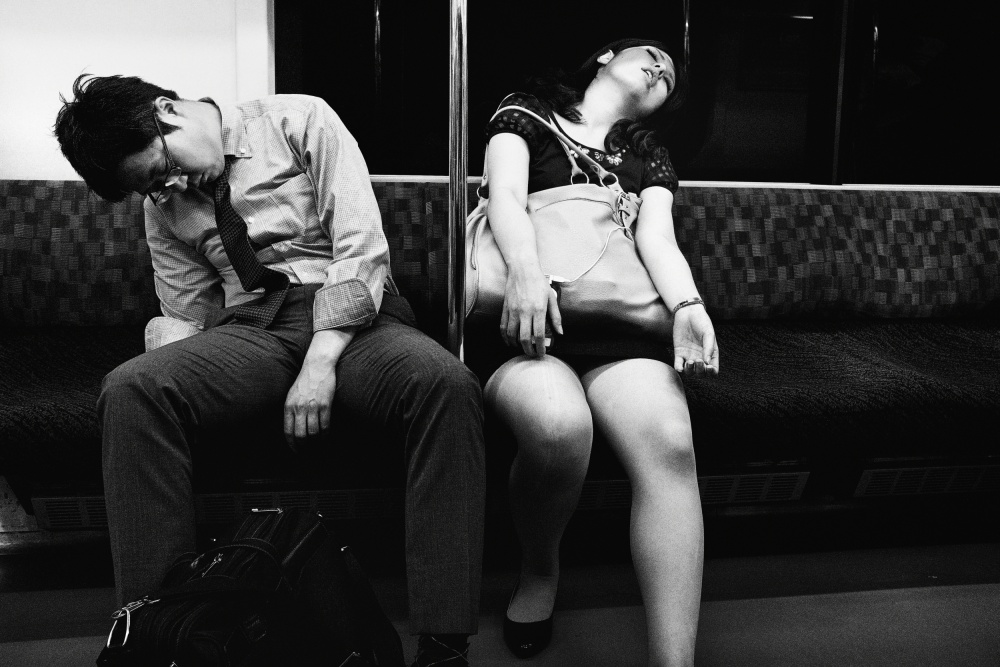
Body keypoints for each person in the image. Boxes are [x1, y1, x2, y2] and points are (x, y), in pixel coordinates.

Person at [53, 75, 484, 667]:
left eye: (164, 170)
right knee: (132, 388)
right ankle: (159, 636)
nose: (169, 188)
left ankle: (444, 642)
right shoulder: (163, 204)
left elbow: (360, 247)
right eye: (151, 187)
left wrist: (320, 364)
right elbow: (186, 310)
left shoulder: (298, 119)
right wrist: (177, 373)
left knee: (446, 384)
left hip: (355, 317)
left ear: (167, 111)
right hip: (253, 328)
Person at [470, 38, 719, 666]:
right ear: (606, 56)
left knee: (671, 442)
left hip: (618, 325)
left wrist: (688, 306)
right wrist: (526, 273)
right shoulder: (526, 112)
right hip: (529, 319)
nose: (661, 68)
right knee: (558, 427)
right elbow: (504, 198)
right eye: (650, 54)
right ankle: (540, 569)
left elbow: (657, 239)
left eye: (670, 76)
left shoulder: (647, 154)